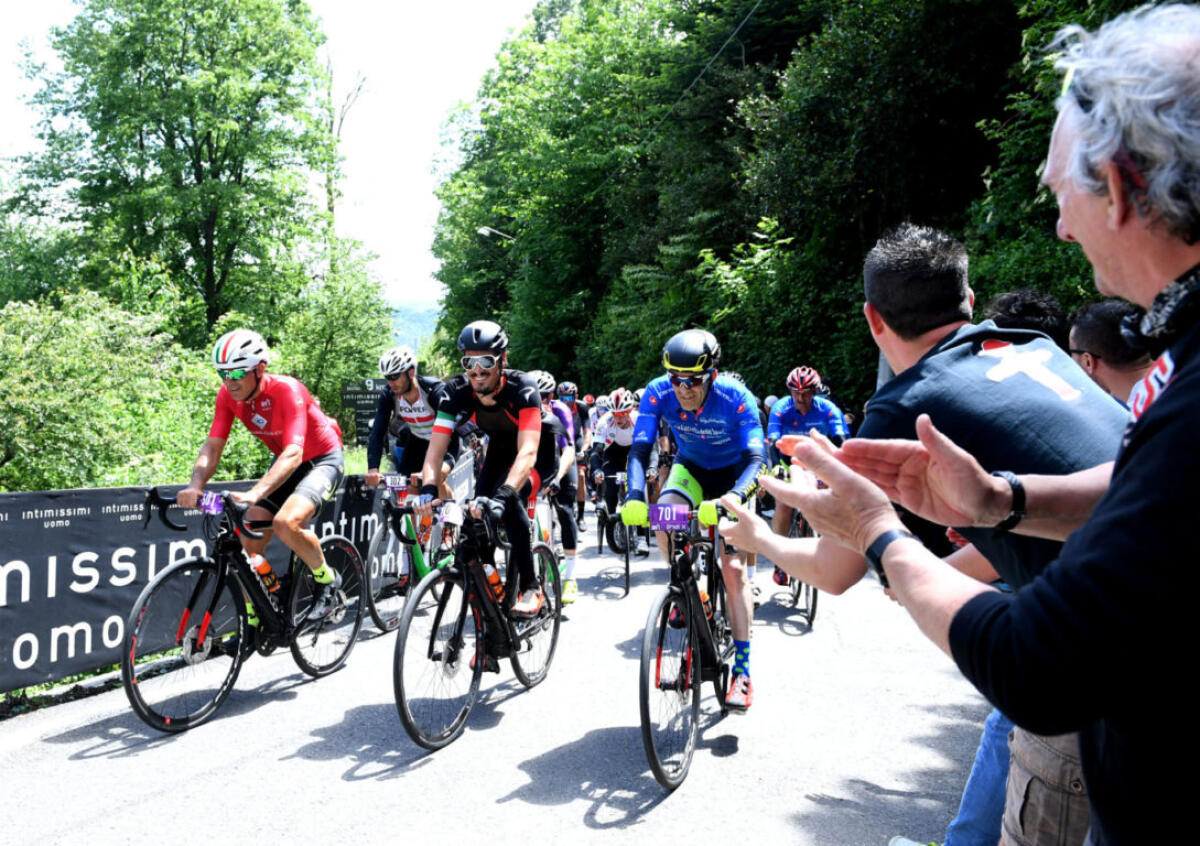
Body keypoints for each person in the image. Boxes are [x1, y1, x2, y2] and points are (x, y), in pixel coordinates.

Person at [772, 8, 1200, 843]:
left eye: (1059, 193)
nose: (1062, 227)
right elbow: (1147, 478)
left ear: (1114, 186)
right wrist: (1002, 499)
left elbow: (1037, 667)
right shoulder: (1138, 343)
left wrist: (877, 532)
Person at [720, 224, 1125, 846]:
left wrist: (759, 538)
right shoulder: (1032, 345)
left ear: (873, 319)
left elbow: (838, 569)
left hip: (1105, 643)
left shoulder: (904, 405)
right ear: (970, 298)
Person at [624, 329, 766, 711]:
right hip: (691, 469)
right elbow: (639, 450)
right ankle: (686, 589)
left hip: (734, 475)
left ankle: (742, 671)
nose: (683, 388)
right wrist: (635, 495)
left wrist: (734, 497)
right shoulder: (658, 392)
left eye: (693, 380)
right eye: (676, 379)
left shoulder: (737, 398)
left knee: (733, 569)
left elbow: (757, 460)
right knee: (665, 516)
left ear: (712, 375)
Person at [179, 329, 347, 621]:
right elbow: (213, 446)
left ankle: (326, 580)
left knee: (286, 522)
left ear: (259, 369)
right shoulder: (228, 396)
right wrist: (195, 485)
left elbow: (294, 453)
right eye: (223, 374)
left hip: (321, 459)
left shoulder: (287, 390)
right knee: (249, 542)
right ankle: (255, 617)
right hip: (286, 462)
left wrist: (255, 492)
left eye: (237, 373)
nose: (229, 382)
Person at [414, 320, 563, 618]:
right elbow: (435, 451)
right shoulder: (455, 391)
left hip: (536, 453)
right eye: (469, 361)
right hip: (499, 449)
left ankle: (532, 587)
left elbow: (528, 451)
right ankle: (492, 606)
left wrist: (505, 493)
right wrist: (429, 492)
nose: (477, 369)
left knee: (512, 500)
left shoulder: (523, 388)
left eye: (486, 361)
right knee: (474, 519)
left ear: (503, 360)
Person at [766, 366, 849, 585]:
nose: (800, 398)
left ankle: (828, 550)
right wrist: (778, 467)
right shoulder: (780, 408)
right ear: (789, 391)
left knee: (828, 499)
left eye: (806, 393)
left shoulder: (828, 409)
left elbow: (840, 442)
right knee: (784, 503)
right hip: (788, 460)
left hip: (817, 462)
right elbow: (773, 443)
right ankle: (780, 560)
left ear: (815, 391)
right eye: (795, 392)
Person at [365, 345, 457, 500]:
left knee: (435, 478)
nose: (390, 382)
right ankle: (419, 525)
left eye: (394, 376)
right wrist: (373, 468)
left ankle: (448, 517)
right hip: (418, 441)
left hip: (446, 440)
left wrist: (430, 471)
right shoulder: (389, 395)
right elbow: (378, 432)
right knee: (408, 487)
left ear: (411, 372)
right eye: (387, 377)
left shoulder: (433, 391)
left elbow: (453, 426)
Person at [530, 369, 582, 603]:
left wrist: (558, 478)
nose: (543, 401)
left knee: (565, 510)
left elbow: (568, 448)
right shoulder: (522, 407)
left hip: (559, 460)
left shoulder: (560, 410)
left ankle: (570, 578)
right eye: (537, 395)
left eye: (546, 396)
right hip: (534, 459)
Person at [591, 387, 651, 555]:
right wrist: (596, 470)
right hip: (613, 454)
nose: (618, 418)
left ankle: (641, 537)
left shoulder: (638, 420)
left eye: (622, 414)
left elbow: (650, 449)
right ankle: (610, 519)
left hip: (634, 453)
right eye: (615, 414)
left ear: (629, 411)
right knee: (609, 485)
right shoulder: (604, 421)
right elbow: (596, 451)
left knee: (637, 490)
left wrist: (651, 467)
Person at [1068, 299, 1153, 405]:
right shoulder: (1175, 377)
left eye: (1072, 353)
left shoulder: (1137, 416)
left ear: (1088, 362)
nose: (1071, 360)